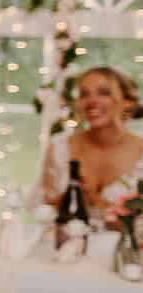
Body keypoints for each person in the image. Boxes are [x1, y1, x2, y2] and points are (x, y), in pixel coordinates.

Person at [38, 66, 143, 224]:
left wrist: (96, 201)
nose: (92, 101)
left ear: (128, 102)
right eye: (84, 94)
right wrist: (66, 200)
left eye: (104, 93)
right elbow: (42, 210)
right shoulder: (60, 147)